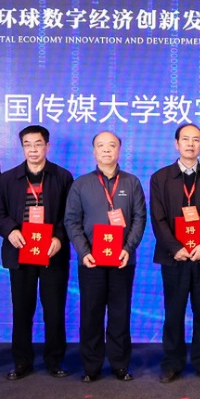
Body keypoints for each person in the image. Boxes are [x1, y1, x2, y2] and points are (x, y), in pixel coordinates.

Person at [0, 124, 73, 380]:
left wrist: (59, 237)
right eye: (28, 144)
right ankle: (21, 362)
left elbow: (70, 215)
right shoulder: (7, 179)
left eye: (38, 144)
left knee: (54, 309)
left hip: (52, 253)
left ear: (47, 146)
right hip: (21, 251)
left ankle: (54, 360)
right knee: (22, 309)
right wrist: (10, 231)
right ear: (22, 147)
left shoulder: (62, 177)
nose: (33, 149)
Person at [63, 130, 147, 382]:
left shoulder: (132, 182)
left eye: (112, 145)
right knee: (91, 313)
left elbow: (140, 218)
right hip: (92, 261)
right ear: (94, 151)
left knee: (120, 313)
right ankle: (91, 366)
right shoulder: (81, 184)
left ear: (119, 150)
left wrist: (127, 249)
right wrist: (84, 252)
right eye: (101, 145)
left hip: (122, 260)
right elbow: (71, 221)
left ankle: (120, 364)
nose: (107, 149)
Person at [149, 123, 200, 383]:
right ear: (176, 143)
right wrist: (175, 248)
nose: (190, 144)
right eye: (185, 139)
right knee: (173, 312)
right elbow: (158, 218)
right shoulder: (160, 178)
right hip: (174, 258)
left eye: (196, 140)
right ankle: (172, 362)